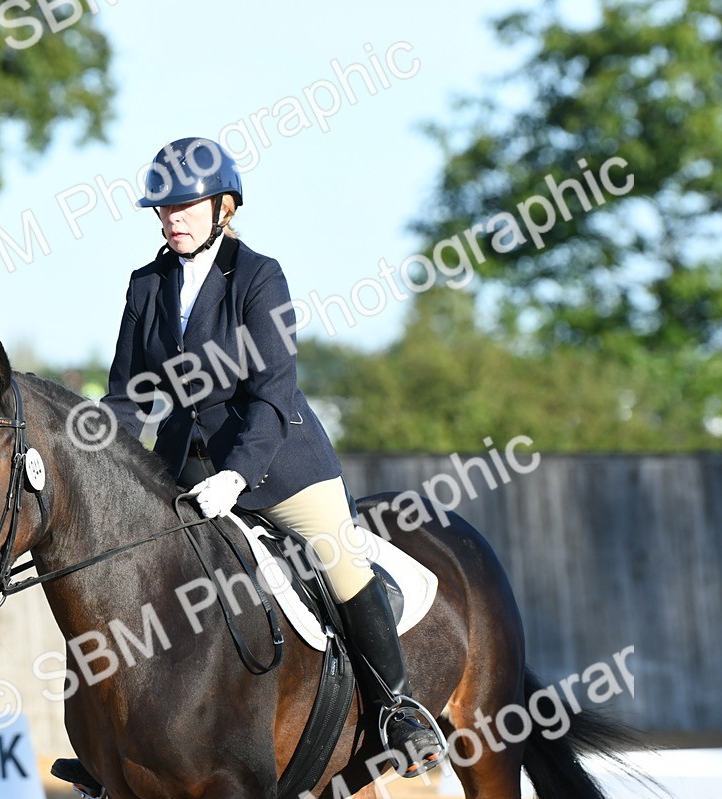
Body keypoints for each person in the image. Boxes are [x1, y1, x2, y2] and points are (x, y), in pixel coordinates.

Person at [57, 137, 443, 792]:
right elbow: (127, 396)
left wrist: (237, 473)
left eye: (185, 205)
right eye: (163, 207)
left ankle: (396, 710)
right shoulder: (146, 285)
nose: (171, 217)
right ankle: (115, 743)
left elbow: (270, 391)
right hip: (181, 468)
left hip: (276, 462)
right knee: (125, 577)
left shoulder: (259, 276)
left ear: (223, 206)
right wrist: (100, 465)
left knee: (338, 558)